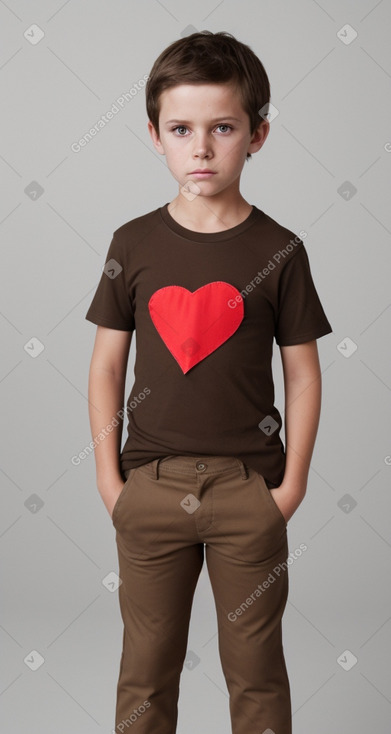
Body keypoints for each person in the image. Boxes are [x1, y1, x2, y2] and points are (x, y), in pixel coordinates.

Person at [85, 30, 333, 734]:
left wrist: (289, 488)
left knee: (255, 674)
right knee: (146, 671)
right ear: (154, 135)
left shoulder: (278, 250)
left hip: (246, 490)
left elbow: (303, 375)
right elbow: (106, 366)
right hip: (150, 486)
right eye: (181, 129)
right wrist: (111, 482)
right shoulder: (131, 244)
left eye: (222, 128)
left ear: (256, 135)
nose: (200, 148)